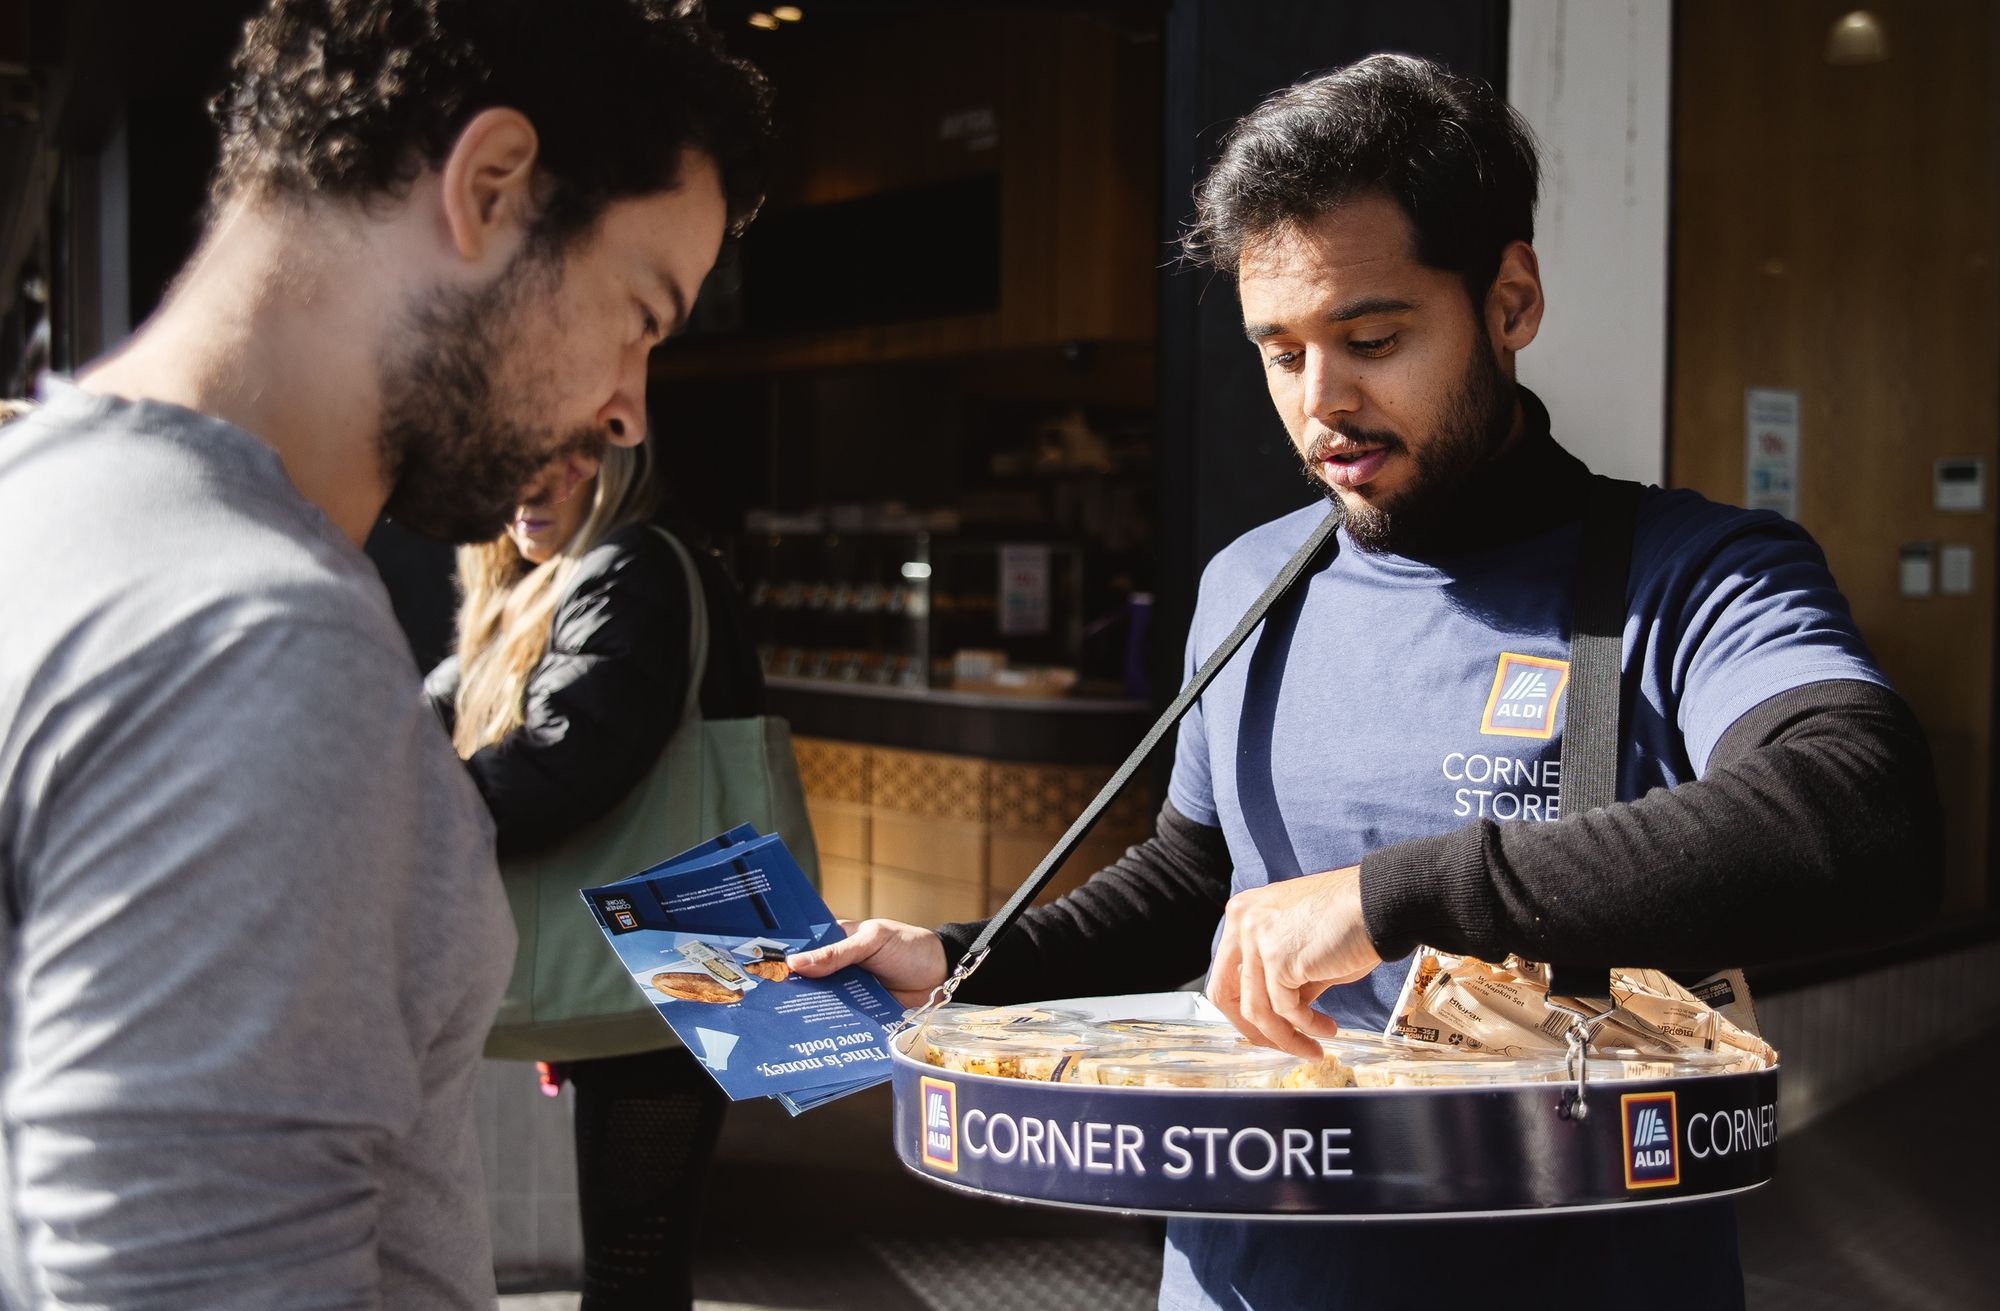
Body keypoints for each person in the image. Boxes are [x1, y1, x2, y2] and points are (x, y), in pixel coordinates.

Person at [790, 54, 1942, 1311]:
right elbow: (1196, 881)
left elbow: (1860, 811)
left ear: (1509, 300)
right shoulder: (1249, 581)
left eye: (1372, 339)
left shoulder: (1692, 572)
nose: (1320, 404)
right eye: (1278, 353)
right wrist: (961, 961)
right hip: (1245, 1273)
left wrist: (1390, 898)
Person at [0, 2, 771, 1306]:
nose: (630, 405)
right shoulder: (260, 651)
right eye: (639, 314)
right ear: (491, 187)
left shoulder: (42, 504)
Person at [424, 439, 762, 1311]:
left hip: (675, 964)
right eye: (507, 463)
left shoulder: (632, 566)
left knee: (633, 1270)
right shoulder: (546, 580)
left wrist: (395, 809)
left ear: (609, 459)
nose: (526, 490)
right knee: (630, 1265)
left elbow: (556, 767)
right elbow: (437, 713)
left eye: (555, 460)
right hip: (649, 961)